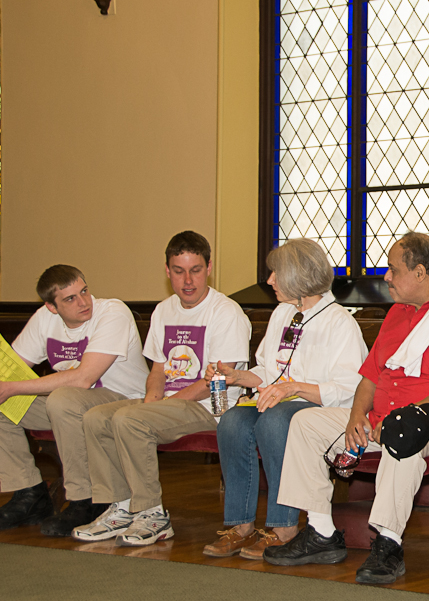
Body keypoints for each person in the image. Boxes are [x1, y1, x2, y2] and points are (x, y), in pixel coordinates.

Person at [264, 231, 429, 585]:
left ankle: (388, 542)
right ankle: (321, 533)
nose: (385, 276)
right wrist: (357, 416)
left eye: (392, 268)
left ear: (419, 273)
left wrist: (407, 415)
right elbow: (370, 377)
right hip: (380, 419)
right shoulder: (398, 314)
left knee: (404, 430)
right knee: (306, 422)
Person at [72, 231, 252, 546]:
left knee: (131, 419)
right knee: (96, 417)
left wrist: (151, 409)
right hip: (168, 406)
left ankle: (153, 514)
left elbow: (214, 381)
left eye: (195, 270)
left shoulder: (226, 313)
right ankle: (121, 507)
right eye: (179, 271)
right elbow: (158, 369)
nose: (188, 280)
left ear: (209, 268)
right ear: (167, 271)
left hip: (211, 408)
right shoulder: (164, 310)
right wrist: (152, 401)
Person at [201, 238, 368, 560]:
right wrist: (237, 376)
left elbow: (349, 387)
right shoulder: (282, 313)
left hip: (320, 407)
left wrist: (294, 388)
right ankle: (240, 525)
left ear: (297, 277)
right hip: (281, 399)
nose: (269, 281)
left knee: (276, 422)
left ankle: (283, 526)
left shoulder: (339, 322)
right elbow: (268, 371)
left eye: (276, 273)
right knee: (234, 421)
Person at [0, 265, 148, 535]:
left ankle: (86, 499)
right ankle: (30, 494)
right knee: (4, 406)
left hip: (125, 402)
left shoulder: (113, 312)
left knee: (62, 399)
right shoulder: (44, 319)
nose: (83, 302)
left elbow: (83, 378)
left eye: (84, 291)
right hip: (72, 406)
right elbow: (12, 367)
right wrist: (5, 387)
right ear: (52, 307)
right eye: (70, 298)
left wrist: (11, 387)